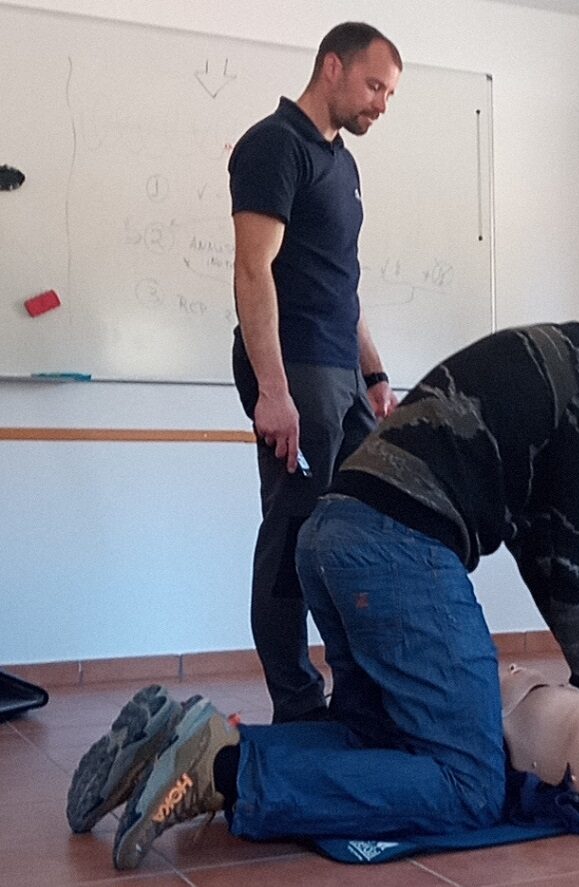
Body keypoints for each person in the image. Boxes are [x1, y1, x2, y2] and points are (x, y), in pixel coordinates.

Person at [67, 270, 579, 870]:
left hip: (334, 532)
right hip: (398, 549)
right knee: (469, 785)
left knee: (377, 735)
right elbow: (576, 546)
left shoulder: (548, 348)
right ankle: (219, 772)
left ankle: (172, 742)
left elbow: (539, 538)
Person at [229, 23, 402, 723]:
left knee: (358, 529)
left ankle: (357, 692)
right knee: (292, 539)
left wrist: (375, 374)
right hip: (294, 370)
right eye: (374, 86)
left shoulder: (342, 164)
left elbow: (341, 285)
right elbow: (252, 270)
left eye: (389, 94)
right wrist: (273, 392)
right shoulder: (275, 145)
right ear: (333, 66)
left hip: (341, 374)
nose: (381, 104)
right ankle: (298, 706)